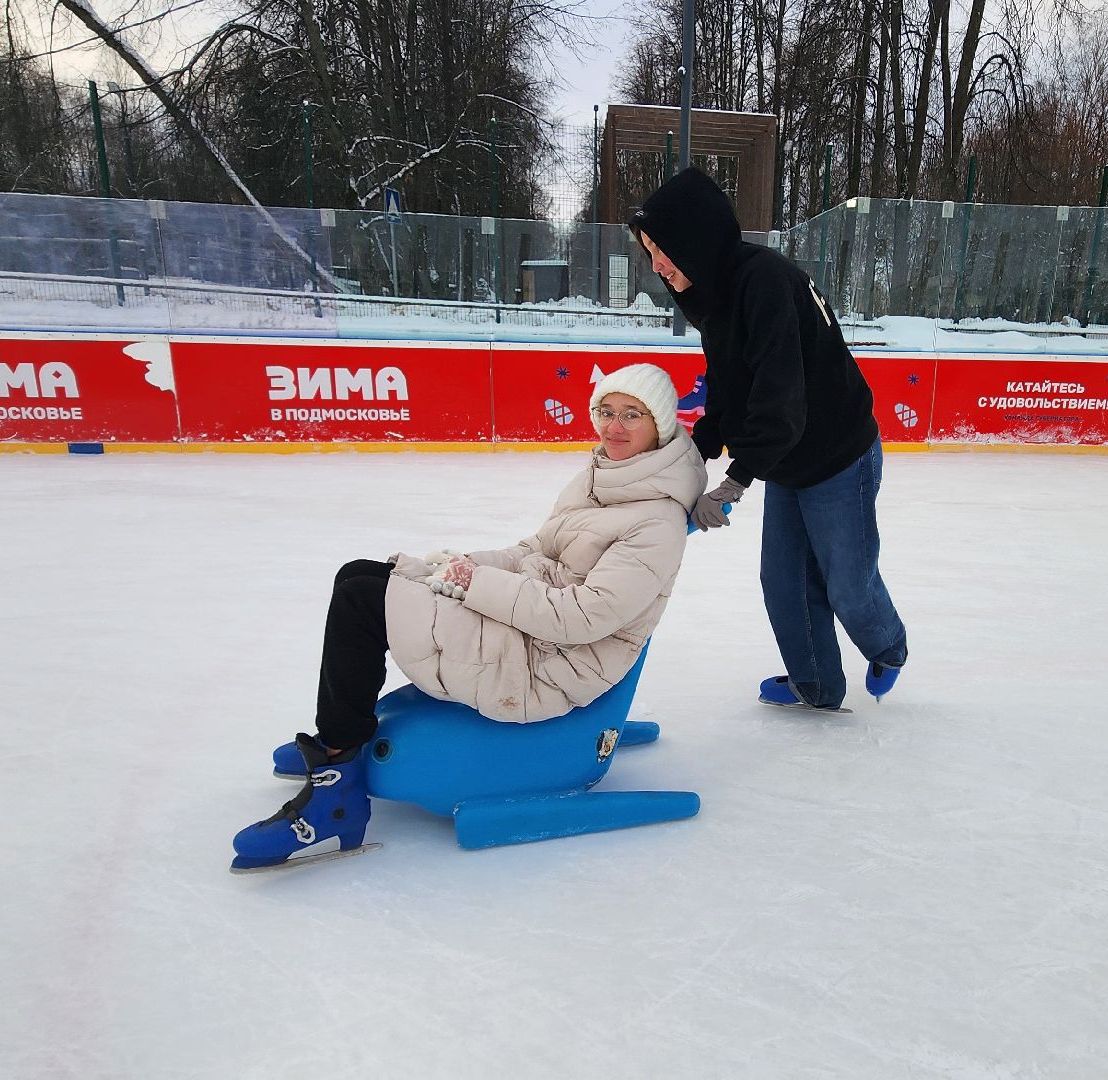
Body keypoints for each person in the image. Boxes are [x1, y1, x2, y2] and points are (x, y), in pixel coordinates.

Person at [233, 364, 708, 870]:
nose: (614, 426)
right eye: (606, 411)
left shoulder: (656, 519)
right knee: (361, 576)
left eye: (631, 415)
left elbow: (582, 619)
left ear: (658, 423)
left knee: (362, 604)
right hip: (530, 626)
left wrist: (474, 584)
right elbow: (532, 550)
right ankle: (340, 739)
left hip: (549, 661)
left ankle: (336, 795)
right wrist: (454, 567)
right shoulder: (601, 476)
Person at [630, 167, 907, 713]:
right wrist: (690, 451)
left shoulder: (765, 281)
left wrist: (733, 482)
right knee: (783, 582)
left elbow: (781, 398)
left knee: (847, 584)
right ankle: (817, 685)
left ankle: (887, 646)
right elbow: (731, 388)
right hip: (788, 460)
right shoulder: (714, 294)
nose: (657, 266)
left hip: (837, 455)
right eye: (649, 252)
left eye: (664, 251)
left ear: (696, 240)